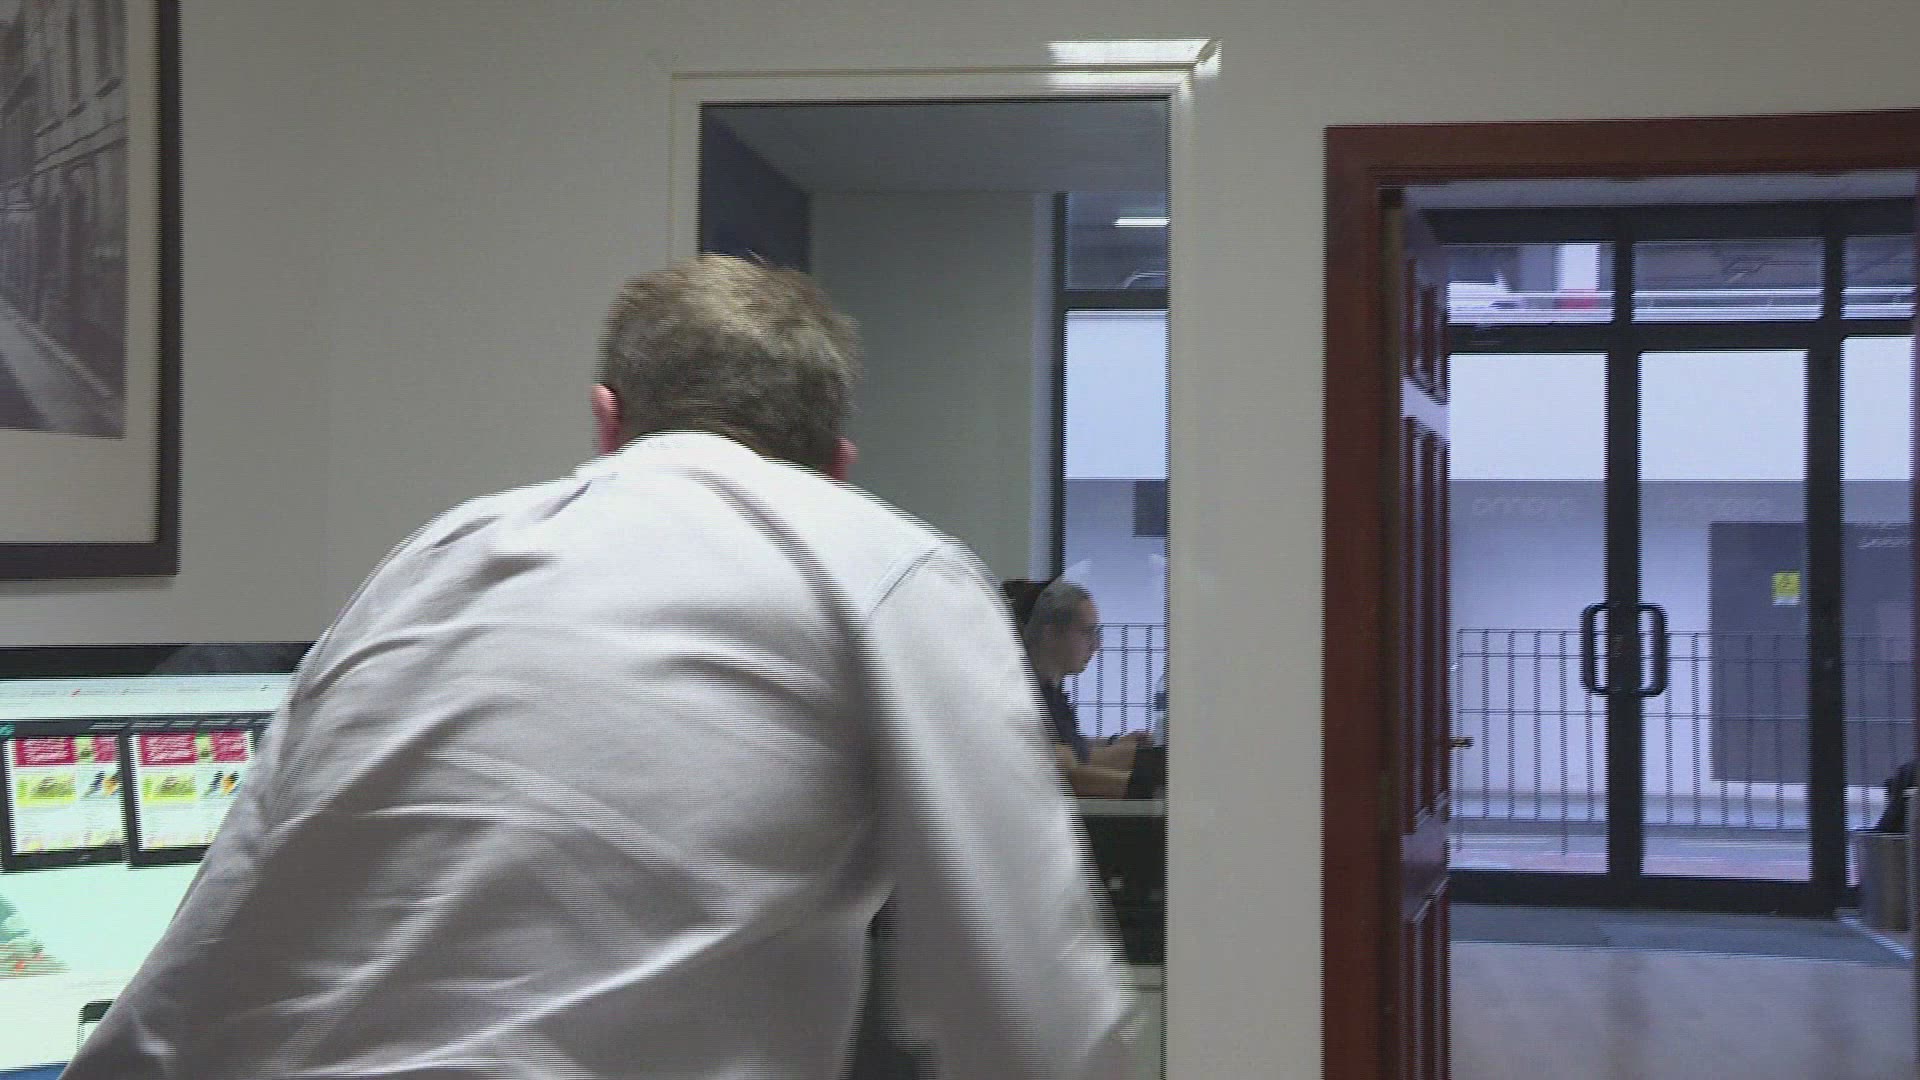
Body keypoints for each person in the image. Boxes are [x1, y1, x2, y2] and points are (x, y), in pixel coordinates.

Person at [62, 256, 1133, 1080]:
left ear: (607, 421)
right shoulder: (890, 568)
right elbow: (1038, 1017)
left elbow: (197, 963)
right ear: (837, 464)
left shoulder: (431, 559)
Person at [1007, 578, 1146, 799]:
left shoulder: (1049, 695)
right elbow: (1063, 773)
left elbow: (1073, 756)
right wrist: (1142, 784)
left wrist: (1118, 747)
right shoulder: (1020, 699)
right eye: (1086, 632)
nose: (1096, 645)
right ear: (1050, 634)